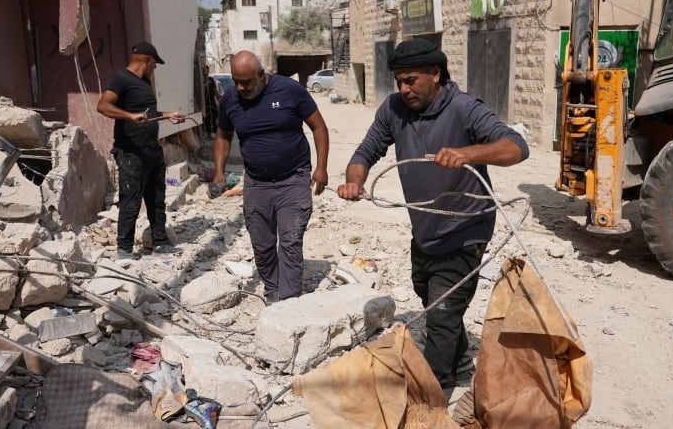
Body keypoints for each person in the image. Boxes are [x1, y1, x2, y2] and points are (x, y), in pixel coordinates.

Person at [337, 38, 529, 390]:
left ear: (435, 73)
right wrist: (354, 181)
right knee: (430, 296)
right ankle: (459, 364)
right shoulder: (394, 109)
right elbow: (366, 151)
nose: (404, 89)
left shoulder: (464, 107)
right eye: (399, 81)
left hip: (465, 230)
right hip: (425, 229)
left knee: (441, 313)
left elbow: (517, 147)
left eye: (411, 80)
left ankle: (434, 392)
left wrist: (468, 153)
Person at [214, 51, 329, 304]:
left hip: (294, 178)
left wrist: (321, 168)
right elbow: (223, 136)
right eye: (236, 81)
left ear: (261, 75)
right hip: (256, 183)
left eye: (247, 82)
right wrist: (220, 173)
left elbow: (319, 127)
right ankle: (272, 289)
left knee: (290, 240)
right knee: (262, 244)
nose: (241, 87)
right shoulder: (230, 100)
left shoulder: (290, 90)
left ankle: (288, 301)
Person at [97, 42, 185, 260]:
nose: (155, 68)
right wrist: (129, 116)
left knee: (156, 198)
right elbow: (103, 106)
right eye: (155, 63)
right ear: (147, 59)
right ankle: (124, 250)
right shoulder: (120, 79)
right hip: (131, 153)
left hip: (152, 150)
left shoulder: (144, 81)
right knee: (131, 199)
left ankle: (161, 242)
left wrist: (167, 115)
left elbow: (148, 112)